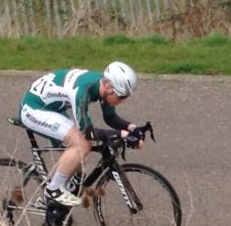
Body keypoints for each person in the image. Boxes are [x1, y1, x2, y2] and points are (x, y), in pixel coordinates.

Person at [18, 61, 142, 206]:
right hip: (33, 109)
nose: (122, 101)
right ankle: (54, 190)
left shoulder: (104, 85)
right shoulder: (82, 92)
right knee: (82, 144)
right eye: (121, 96)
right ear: (108, 86)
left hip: (52, 109)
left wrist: (132, 128)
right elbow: (88, 132)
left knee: (76, 160)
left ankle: (50, 201)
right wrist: (122, 134)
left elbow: (110, 117)